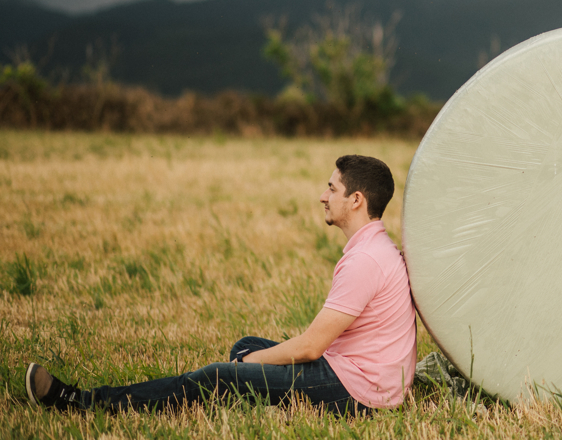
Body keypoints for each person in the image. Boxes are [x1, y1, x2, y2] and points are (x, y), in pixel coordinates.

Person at [26, 154, 417, 416]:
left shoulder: (366, 260)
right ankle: (243, 395)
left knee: (220, 373)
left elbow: (312, 345)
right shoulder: (376, 246)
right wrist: (248, 360)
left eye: (332, 189)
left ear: (356, 200)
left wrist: (240, 368)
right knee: (245, 347)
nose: (322, 196)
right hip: (361, 374)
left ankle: (81, 401)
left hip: (358, 391)